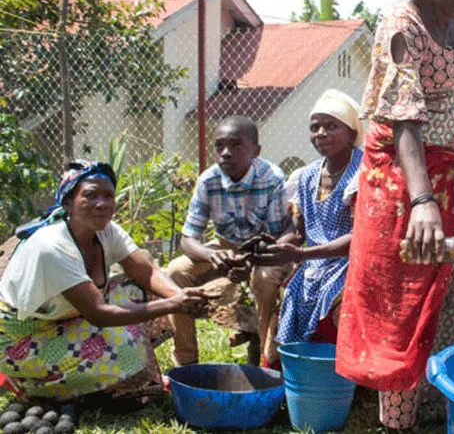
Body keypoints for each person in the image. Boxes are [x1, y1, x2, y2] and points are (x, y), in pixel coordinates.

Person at [334, 0, 454, 429]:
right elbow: (404, 119)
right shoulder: (401, 23)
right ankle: (399, 425)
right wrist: (423, 200)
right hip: (406, 186)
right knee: (405, 304)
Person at [0, 160, 209, 402]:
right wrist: (175, 304)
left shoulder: (107, 231)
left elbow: (146, 271)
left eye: (108, 196)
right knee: (126, 349)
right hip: (21, 338)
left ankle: (89, 377)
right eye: (90, 195)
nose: (102, 204)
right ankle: (33, 384)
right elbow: (100, 314)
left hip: (63, 320)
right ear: (68, 202)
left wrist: (179, 296)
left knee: (141, 290)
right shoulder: (52, 247)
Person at [165, 116, 289, 366]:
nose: (226, 153)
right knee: (175, 271)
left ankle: (270, 363)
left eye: (236, 145)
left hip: (265, 249)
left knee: (264, 279)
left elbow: (276, 237)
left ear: (256, 151)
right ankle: (186, 364)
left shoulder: (272, 178)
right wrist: (211, 256)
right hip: (224, 246)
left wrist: (249, 262)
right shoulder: (208, 181)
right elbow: (189, 239)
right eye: (219, 146)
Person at [255, 89, 363, 351]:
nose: (321, 133)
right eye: (315, 127)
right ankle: (283, 370)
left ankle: (336, 378)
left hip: (351, 261)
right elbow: (298, 230)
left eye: (331, 126)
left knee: (331, 298)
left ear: (351, 133)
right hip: (314, 261)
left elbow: (361, 237)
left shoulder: (364, 172)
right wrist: (277, 248)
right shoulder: (305, 176)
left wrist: (302, 256)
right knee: (293, 291)